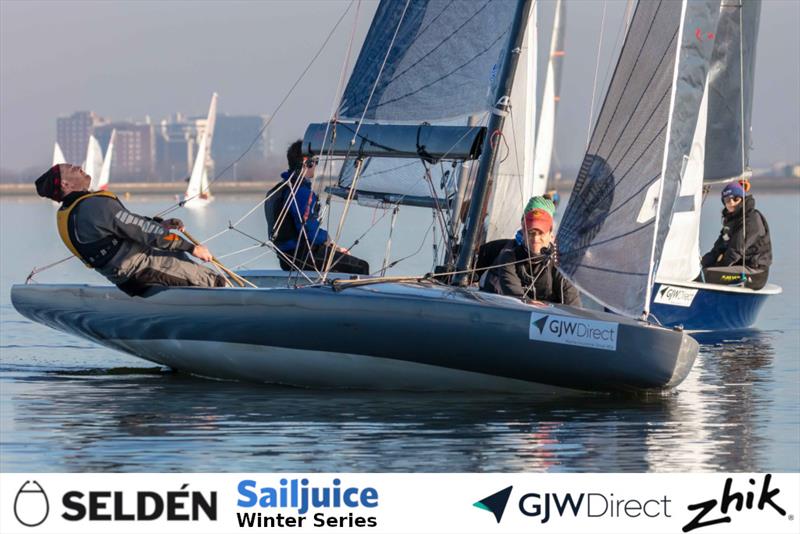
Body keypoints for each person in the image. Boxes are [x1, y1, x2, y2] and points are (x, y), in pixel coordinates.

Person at [35, 163, 226, 296]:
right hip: (142, 270)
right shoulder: (94, 206)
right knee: (213, 281)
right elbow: (141, 230)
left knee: (187, 265)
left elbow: (128, 225)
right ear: (66, 184)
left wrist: (160, 225)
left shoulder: (69, 212)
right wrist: (191, 248)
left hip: (133, 271)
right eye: (72, 169)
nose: (78, 167)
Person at [265, 140, 370, 275]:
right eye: (316, 161)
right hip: (303, 256)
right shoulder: (301, 192)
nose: (316, 165)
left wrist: (332, 248)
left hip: (285, 258)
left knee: (340, 263)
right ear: (306, 162)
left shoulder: (280, 189)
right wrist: (329, 241)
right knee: (361, 267)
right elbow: (309, 231)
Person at [480, 205, 580, 306]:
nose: (536, 238)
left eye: (541, 233)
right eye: (531, 233)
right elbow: (513, 291)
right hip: (516, 313)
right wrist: (526, 302)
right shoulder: (508, 257)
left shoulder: (561, 263)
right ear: (523, 233)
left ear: (551, 235)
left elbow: (573, 305)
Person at [700, 181, 772, 289]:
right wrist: (701, 263)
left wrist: (716, 267)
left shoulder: (751, 219)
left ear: (742, 199)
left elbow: (735, 251)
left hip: (755, 273)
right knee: (700, 271)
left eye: (736, 199)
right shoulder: (731, 221)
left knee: (708, 274)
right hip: (738, 267)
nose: (731, 203)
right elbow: (718, 248)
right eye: (727, 200)